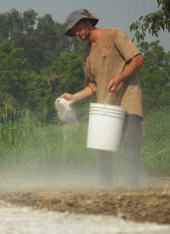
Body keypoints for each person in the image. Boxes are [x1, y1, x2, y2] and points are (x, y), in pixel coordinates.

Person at [60, 9, 145, 186]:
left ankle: (132, 188)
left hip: (128, 100)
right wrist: (74, 98)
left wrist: (120, 78)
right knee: (103, 147)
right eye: (73, 31)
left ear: (87, 22)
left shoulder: (114, 35)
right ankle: (105, 188)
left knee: (130, 144)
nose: (76, 33)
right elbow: (93, 86)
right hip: (106, 106)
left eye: (77, 28)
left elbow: (137, 59)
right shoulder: (87, 55)